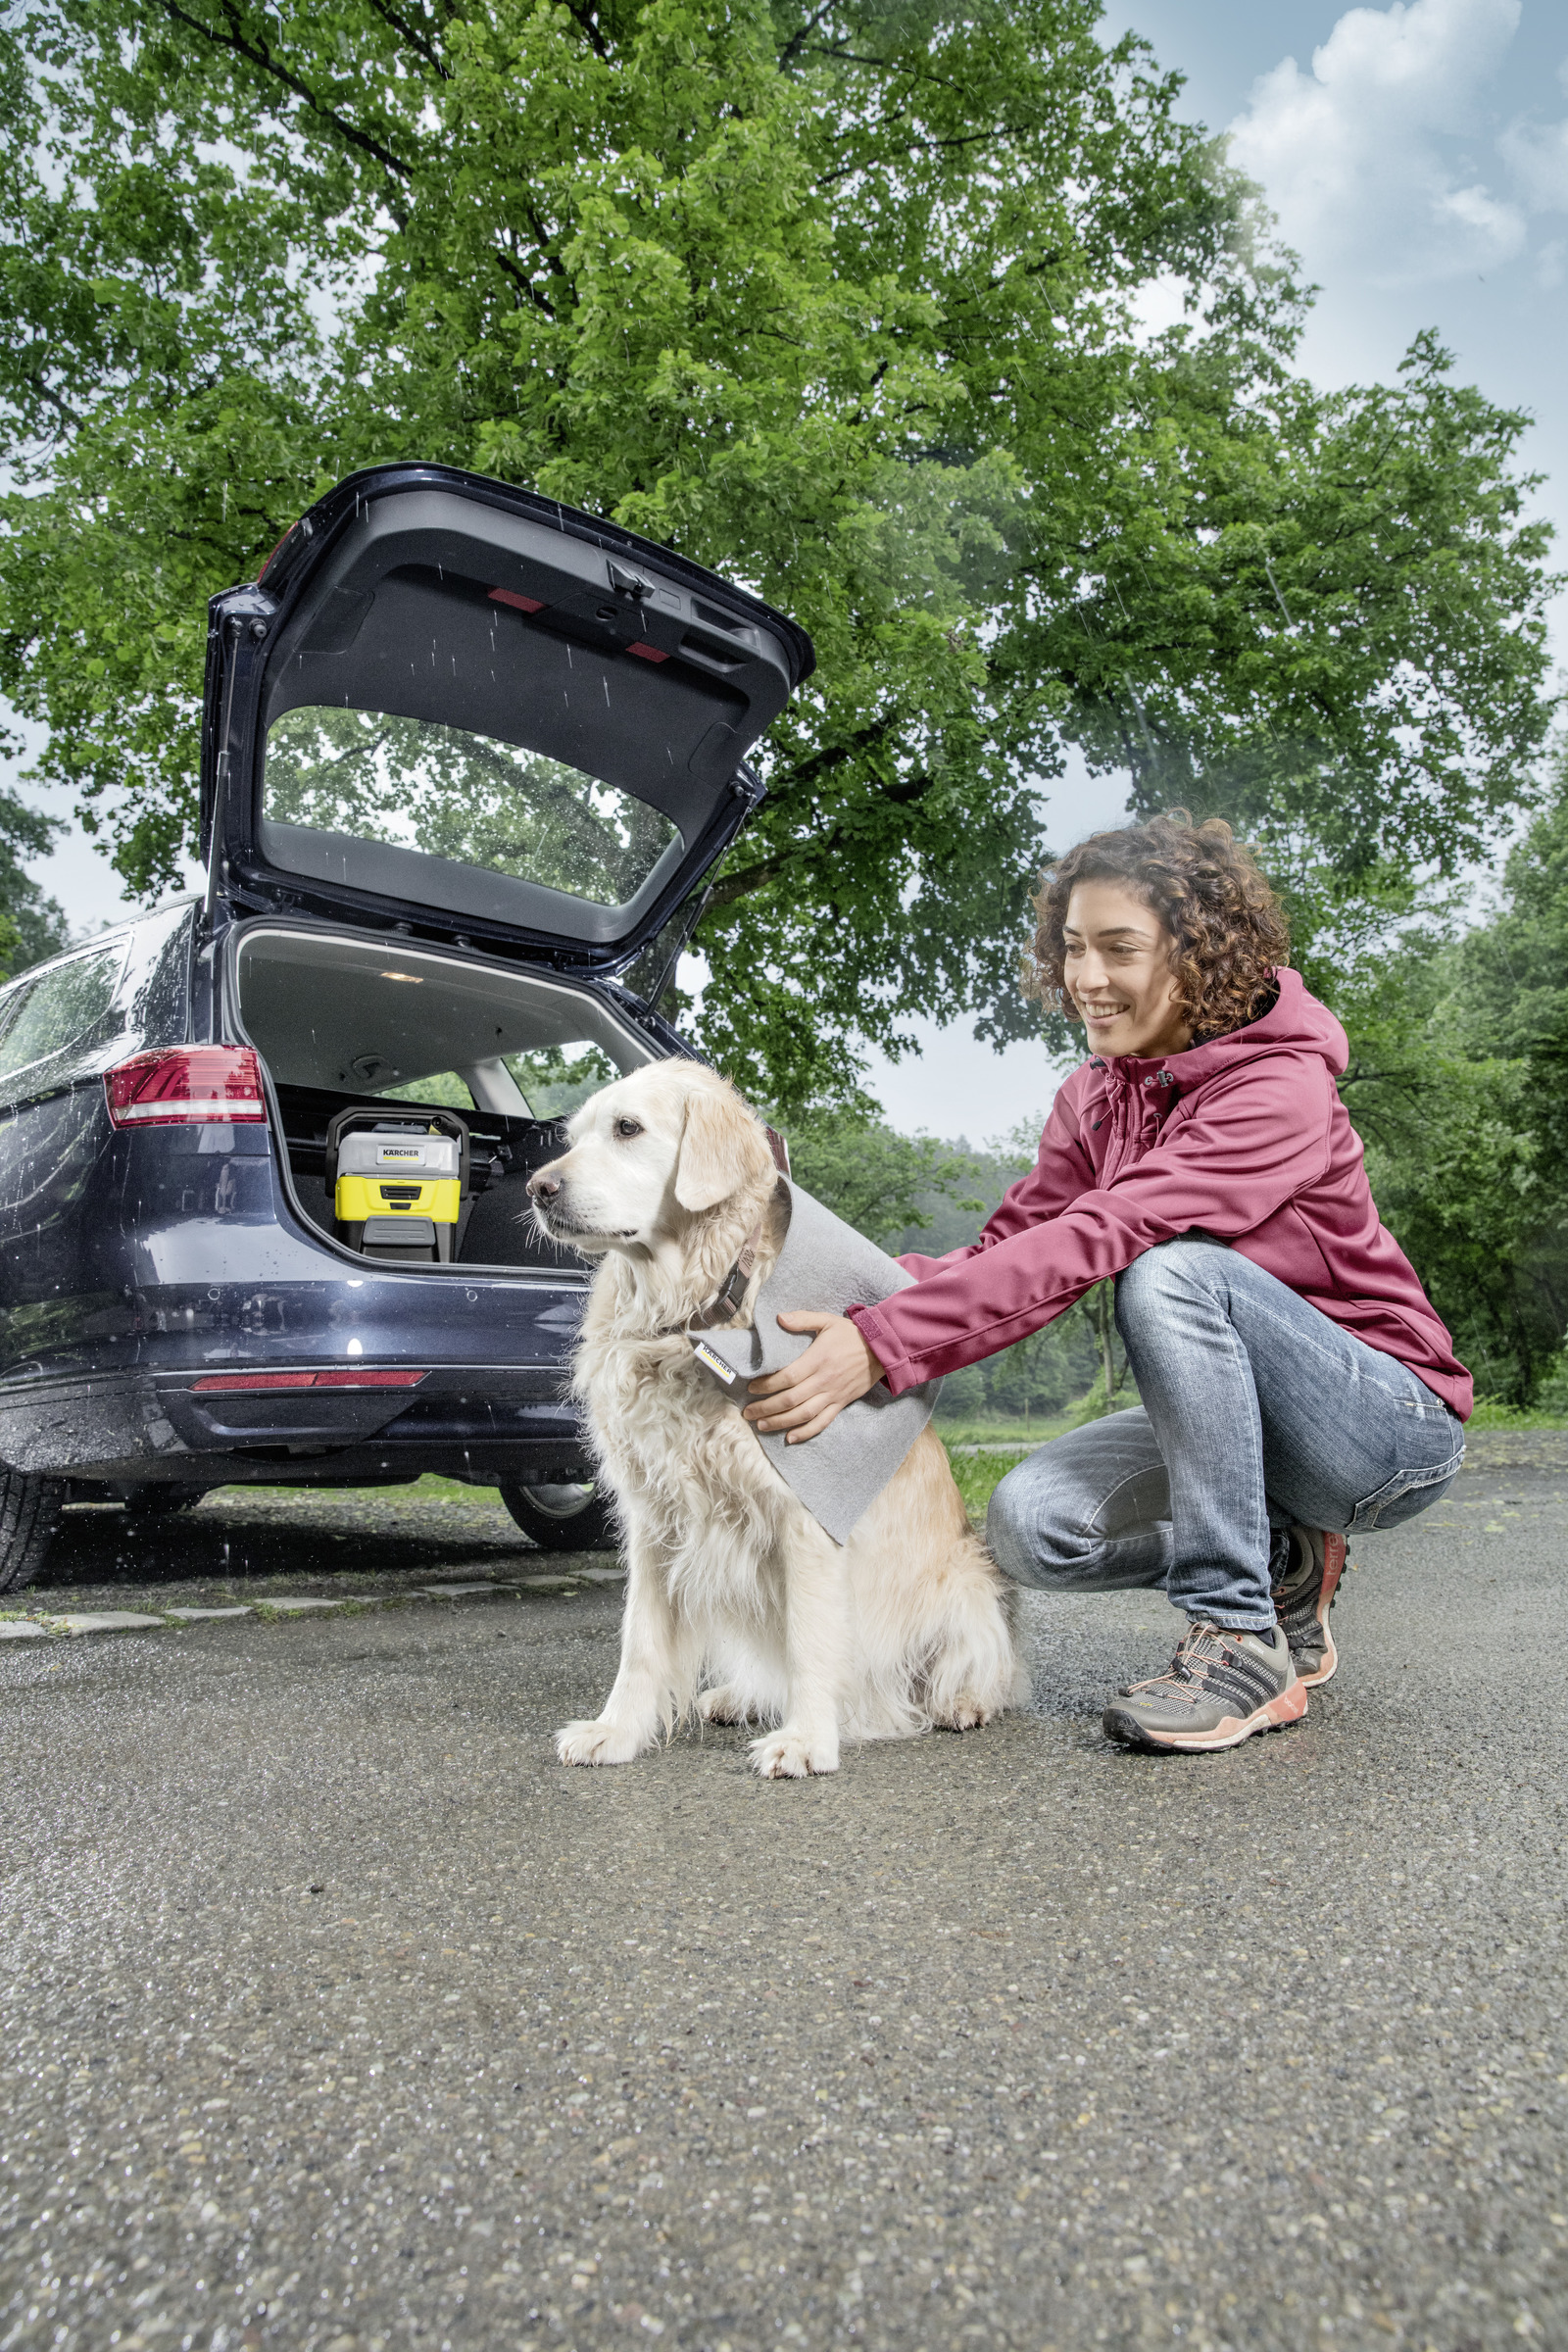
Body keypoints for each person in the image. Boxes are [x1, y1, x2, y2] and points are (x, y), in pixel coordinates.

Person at [744, 811, 1468, 1753]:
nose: (1087, 979)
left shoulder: (1278, 1089)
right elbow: (1015, 1246)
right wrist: (854, 1307)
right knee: (1031, 1529)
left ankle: (1238, 1636)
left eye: (1119, 949)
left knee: (1171, 1276)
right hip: (1255, 1423)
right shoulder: (1096, 1096)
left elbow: (1102, 1235)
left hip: (1384, 1428)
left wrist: (885, 1348)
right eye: (1073, 949)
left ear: (1199, 955)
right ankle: (1285, 1557)